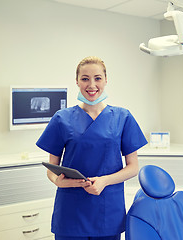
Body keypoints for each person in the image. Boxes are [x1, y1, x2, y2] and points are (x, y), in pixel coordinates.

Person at [36, 56, 148, 240]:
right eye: (85, 78)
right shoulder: (61, 118)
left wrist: (104, 181)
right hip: (70, 209)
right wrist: (58, 181)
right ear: (77, 81)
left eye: (97, 78)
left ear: (105, 80)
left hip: (107, 208)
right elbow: (51, 169)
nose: (92, 85)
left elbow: (133, 167)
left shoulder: (122, 117)